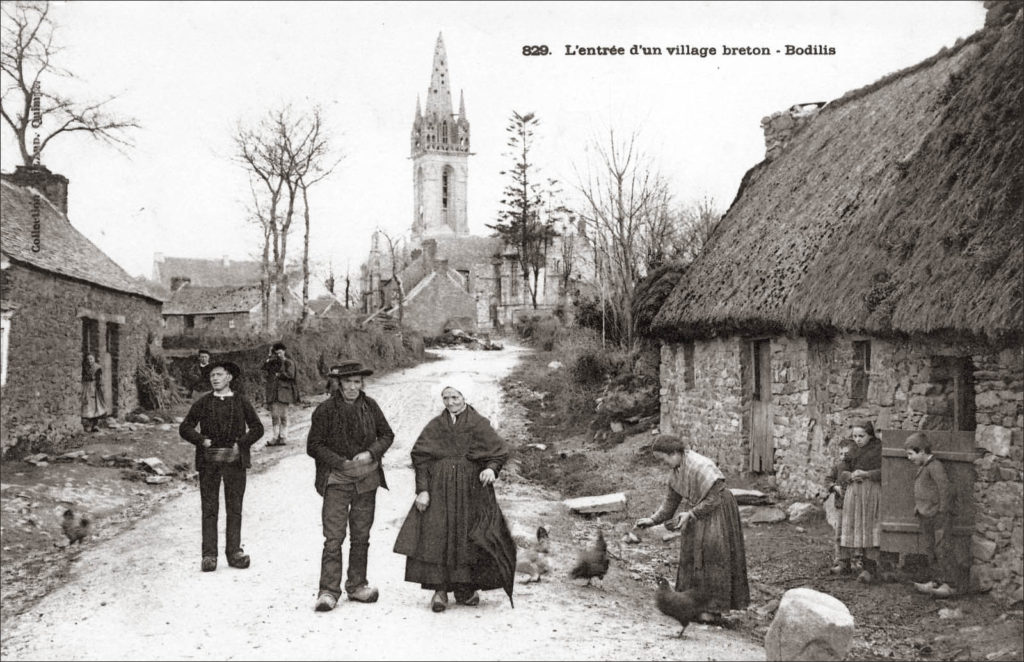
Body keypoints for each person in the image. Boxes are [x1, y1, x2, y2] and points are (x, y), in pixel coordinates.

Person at [393, 378, 517, 613]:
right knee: (437, 535)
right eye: (446, 398)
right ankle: (439, 591)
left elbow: (499, 451)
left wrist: (491, 468)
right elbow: (420, 457)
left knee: (466, 536)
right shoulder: (435, 425)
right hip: (439, 489)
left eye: (455, 398)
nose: (450, 403)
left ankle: (465, 588)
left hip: (471, 490)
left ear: (465, 397)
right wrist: (422, 490)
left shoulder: (479, 423)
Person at [306, 360, 395, 612]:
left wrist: (371, 453)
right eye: (348, 382)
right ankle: (328, 591)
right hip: (337, 481)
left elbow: (387, 435)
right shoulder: (325, 410)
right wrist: (339, 463)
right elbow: (313, 446)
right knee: (333, 538)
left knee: (361, 536)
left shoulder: (370, 406)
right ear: (339, 383)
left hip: (367, 481)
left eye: (357, 382)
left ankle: (356, 586)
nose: (353, 387)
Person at [635, 434, 749, 624]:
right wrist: (652, 520)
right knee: (692, 556)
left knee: (713, 556)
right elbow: (670, 503)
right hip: (697, 512)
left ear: (674, 453)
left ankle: (714, 611)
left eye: (663, 459)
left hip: (717, 512)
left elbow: (715, 498)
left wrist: (692, 514)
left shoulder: (700, 466)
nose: (663, 463)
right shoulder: (677, 472)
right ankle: (693, 606)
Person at [178, 361, 264, 572]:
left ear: (229, 378)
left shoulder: (241, 401)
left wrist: (241, 444)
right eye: (212, 376)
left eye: (219, 375)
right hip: (209, 462)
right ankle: (209, 555)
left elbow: (257, 428)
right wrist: (201, 440)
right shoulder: (204, 402)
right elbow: (185, 427)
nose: (214, 378)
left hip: (235, 462)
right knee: (210, 508)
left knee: (234, 508)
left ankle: (234, 553)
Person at [905, 432, 958, 598]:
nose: (909, 458)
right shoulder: (924, 466)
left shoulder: (935, 466)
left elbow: (945, 489)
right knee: (930, 549)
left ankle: (950, 584)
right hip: (926, 514)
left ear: (921, 451)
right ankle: (936, 581)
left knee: (942, 549)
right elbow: (926, 490)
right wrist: (919, 507)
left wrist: (943, 511)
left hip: (938, 515)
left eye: (910, 454)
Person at [837, 420, 883, 583]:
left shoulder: (879, 450)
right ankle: (848, 563)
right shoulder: (852, 450)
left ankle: (869, 569)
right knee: (854, 525)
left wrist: (867, 474)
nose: (857, 439)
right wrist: (849, 476)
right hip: (854, 492)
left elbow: (884, 472)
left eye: (861, 436)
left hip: (870, 492)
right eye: (855, 436)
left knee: (868, 526)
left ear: (870, 435)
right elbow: (842, 469)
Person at [825, 438, 855, 574]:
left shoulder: (856, 467)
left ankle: (857, 560)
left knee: (854, 534)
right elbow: (828, 479)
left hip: (855, 506)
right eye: (841, 454)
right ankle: (842, 561)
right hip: (841, 506)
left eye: (846, 454)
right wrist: (834, 487)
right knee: (840, 533)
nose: (843, 457)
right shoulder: (838, 467)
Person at [262, 342, 299, 446]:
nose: (278, 355)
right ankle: (274, 437)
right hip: (273, 393)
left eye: (280, 352)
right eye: (276, 353)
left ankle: (283, 437)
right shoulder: (273, 363)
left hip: (284, 392)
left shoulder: (288, 362)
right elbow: (264, 368)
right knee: (274, 415)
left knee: (283, 415)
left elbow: (291, 375)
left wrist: (280, 374)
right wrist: (269, 356)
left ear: (284, 351)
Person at [80, 353, 107, 432]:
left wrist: (99, 387)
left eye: (91, 359)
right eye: (88, 359)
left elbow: (100, 379)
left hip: (94, 388)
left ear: (94, 359)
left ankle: (95, 425)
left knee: (96, 406)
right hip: (86, 387)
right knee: (87, 405)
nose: (89, 361)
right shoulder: (84, 367)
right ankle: (87, 425)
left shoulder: (97, 368)